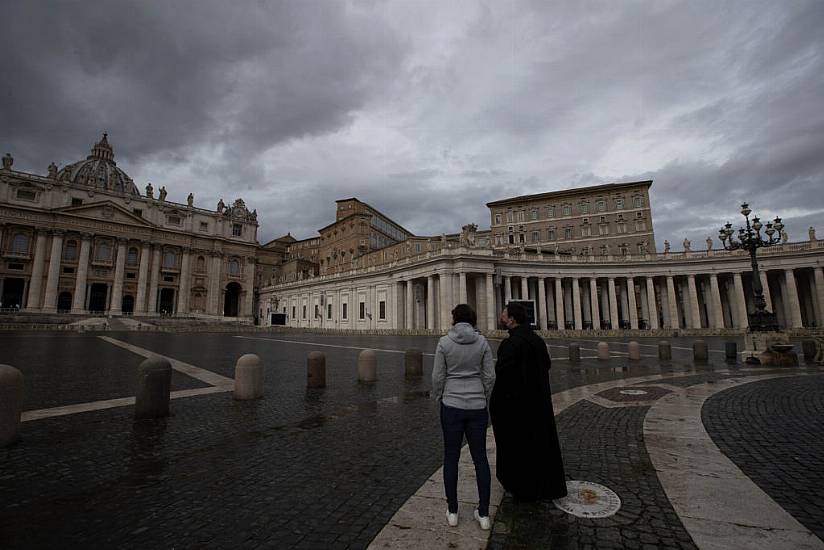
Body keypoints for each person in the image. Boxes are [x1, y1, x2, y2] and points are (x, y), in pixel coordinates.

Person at [490, 302, 567, 501]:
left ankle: (518, 486)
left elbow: (502, 375)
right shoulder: (537, 341)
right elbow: (546, 365)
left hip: (515, 405)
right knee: (539, 444)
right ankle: (543, 484)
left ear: (512, 319)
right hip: (537, 402)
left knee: (516, 447)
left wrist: (497, 405)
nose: (502, 315)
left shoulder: (510, 344)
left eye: (504, 313)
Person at [432, 304, 495, 529]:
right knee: (480, 459)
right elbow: (490, 376)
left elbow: (438, 377)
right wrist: (482, 396)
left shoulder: (444, 343)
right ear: (473, 319)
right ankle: (484, 514)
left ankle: (452, 511)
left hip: (451, 405)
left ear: (454, 319)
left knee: (451, 457)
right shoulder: (482, 342)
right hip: (477, 406)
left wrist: (439, 397)